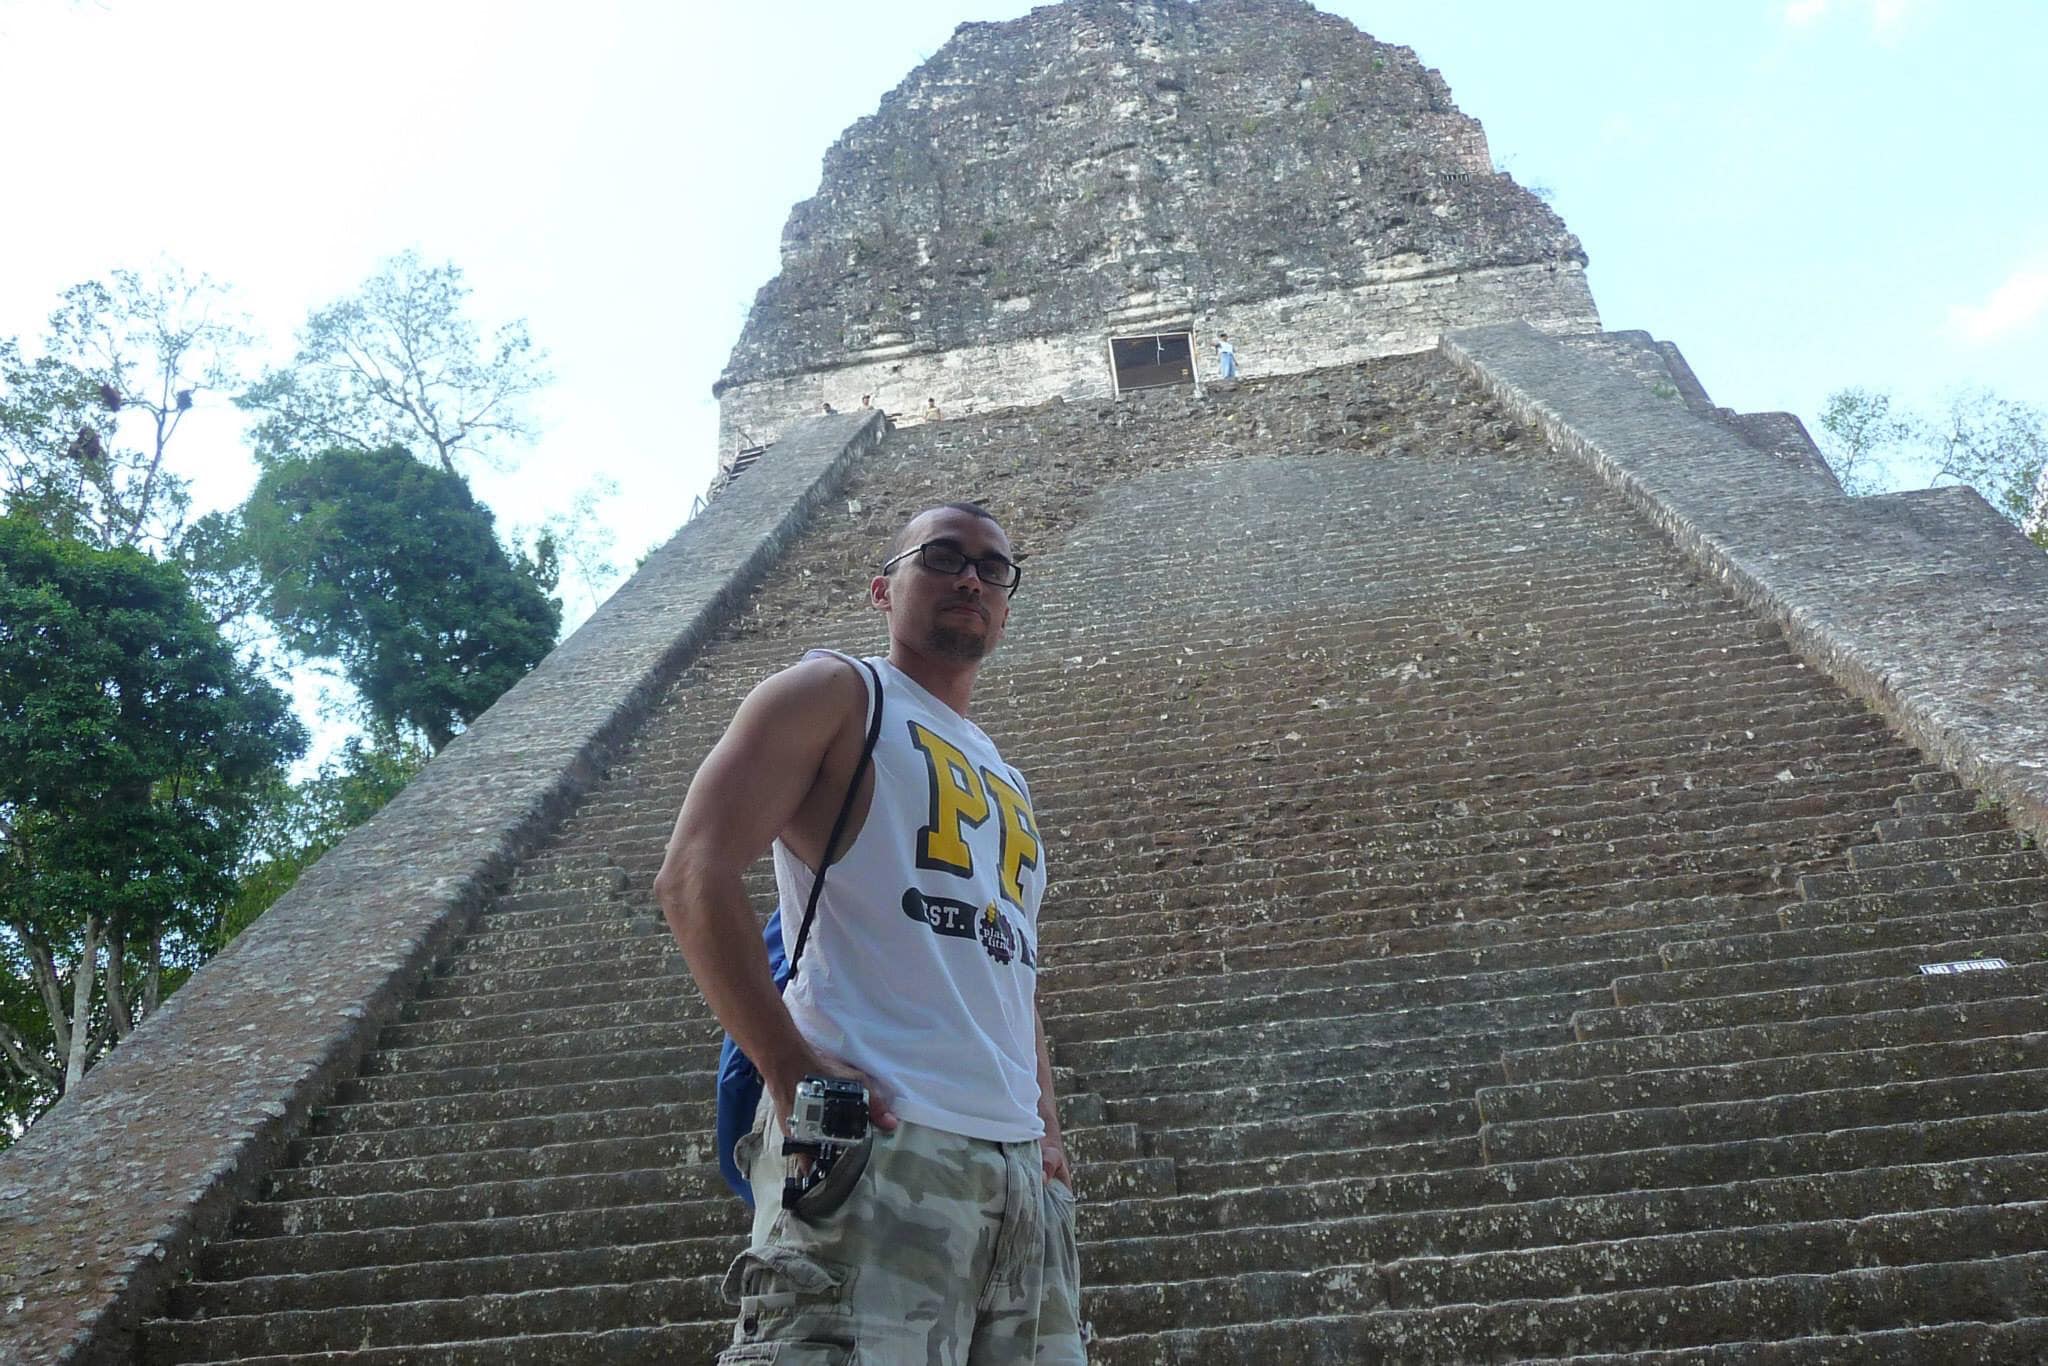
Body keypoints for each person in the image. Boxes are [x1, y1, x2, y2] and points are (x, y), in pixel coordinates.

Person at [655, 502, 1083, 1363]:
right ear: (884, 589)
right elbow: (692, 873)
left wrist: (1047, 1125)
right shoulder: (835, 695)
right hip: (882, 1149)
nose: (971, 577)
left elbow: (1009, 958)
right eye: (944, 557)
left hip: (1018, 1180)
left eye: (993, 569)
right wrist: (786, 1064)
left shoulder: (1007, 775)